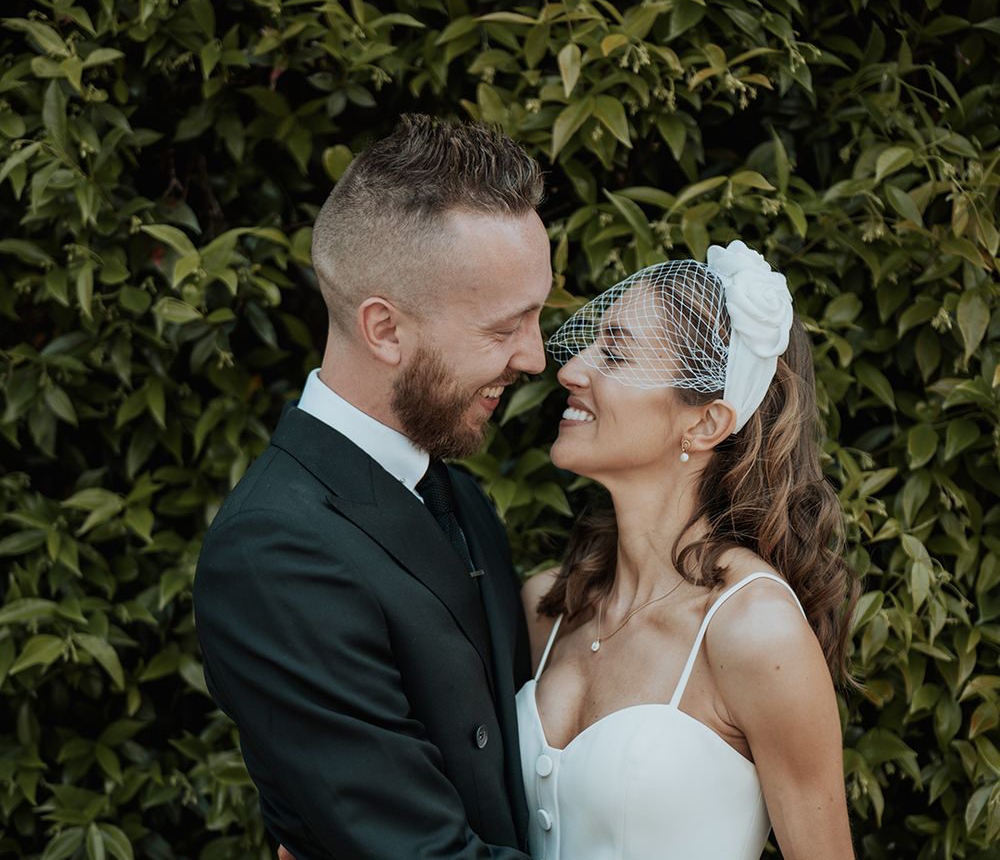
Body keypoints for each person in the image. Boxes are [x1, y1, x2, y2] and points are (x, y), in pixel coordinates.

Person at [193, 115, 552, 859]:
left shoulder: (463, 501)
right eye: (503, 329)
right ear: (385, 330)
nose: (536, 358)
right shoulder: (274, 552)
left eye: (538, 316)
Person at [516, 242, 858, 859]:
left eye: (615, 353)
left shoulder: (754, 630)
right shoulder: (548, 606)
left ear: (703, 423)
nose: (570, 369)